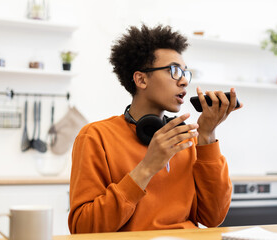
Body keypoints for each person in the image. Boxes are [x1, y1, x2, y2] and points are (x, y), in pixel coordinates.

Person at [68, 24, 242, 234]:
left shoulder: (186, 138)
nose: (184, 80)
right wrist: (147, 167)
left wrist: (207, 135)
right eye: (174, 71)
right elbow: (83, 229)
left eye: (185, 72)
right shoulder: (96, 137)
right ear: (141, 79)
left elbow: (213, 217)